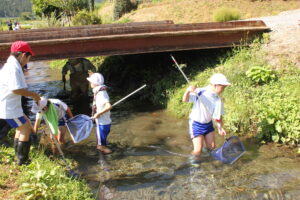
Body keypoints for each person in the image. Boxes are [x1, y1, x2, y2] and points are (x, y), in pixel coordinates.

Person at [0, 41, 41, 165]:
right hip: (9, 107)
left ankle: (19, 158)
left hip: (11, 105)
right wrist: (34, 95)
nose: (27, 61)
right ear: (23, 55)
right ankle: (22, 160)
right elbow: (15, 89)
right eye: (28, 57)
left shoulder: (12, 65)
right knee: (25, 129)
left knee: (21, 127)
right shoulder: (13, 68)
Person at [182, 73, 231, 157]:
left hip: (208, 124)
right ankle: (193, 165)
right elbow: (185, 100)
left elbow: (218, 116)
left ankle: (206, 157)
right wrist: (188, 91)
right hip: (196, 124)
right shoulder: (200, 92)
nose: (224, 89)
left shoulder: (219, 99)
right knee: (198, 150)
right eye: (223, 87)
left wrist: (220, 128)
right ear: (216, 85)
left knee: (212, 147)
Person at [87, 73, 112, 154]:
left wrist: (98, 114)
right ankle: (102, 144)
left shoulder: (101, 93)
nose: (90, 83)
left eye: (91, 82)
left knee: (102, 133)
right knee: (103, 134)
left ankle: (101, 147)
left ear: (95, 83)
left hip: (102, 121)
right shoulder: (99, 91)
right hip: (105, 120)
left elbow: (108, 106)